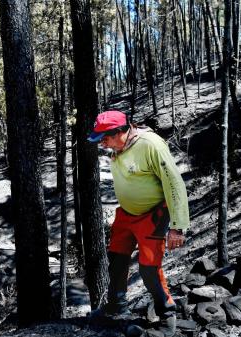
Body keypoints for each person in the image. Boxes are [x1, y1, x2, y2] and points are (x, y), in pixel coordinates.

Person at [88, 110, 190, 336]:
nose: (102, 143)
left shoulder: (150, 145)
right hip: (126, 213)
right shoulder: (119, 145)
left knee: (149, 267)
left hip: (153, 214)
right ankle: (115, 305)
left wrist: (177, 226)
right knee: (116, 257)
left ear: (120, 131)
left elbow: (174, 183)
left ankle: (167, 315)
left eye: (105, 137)